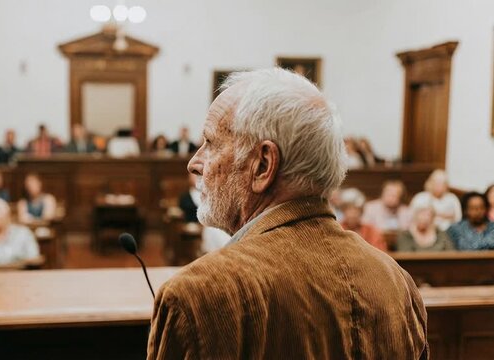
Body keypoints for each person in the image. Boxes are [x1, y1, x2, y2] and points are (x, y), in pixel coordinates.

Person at [148, 68, 427, 359]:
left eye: (211, 144)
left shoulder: (197, 295)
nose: (195, 163)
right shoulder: (397, 282)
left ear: (263, 165)